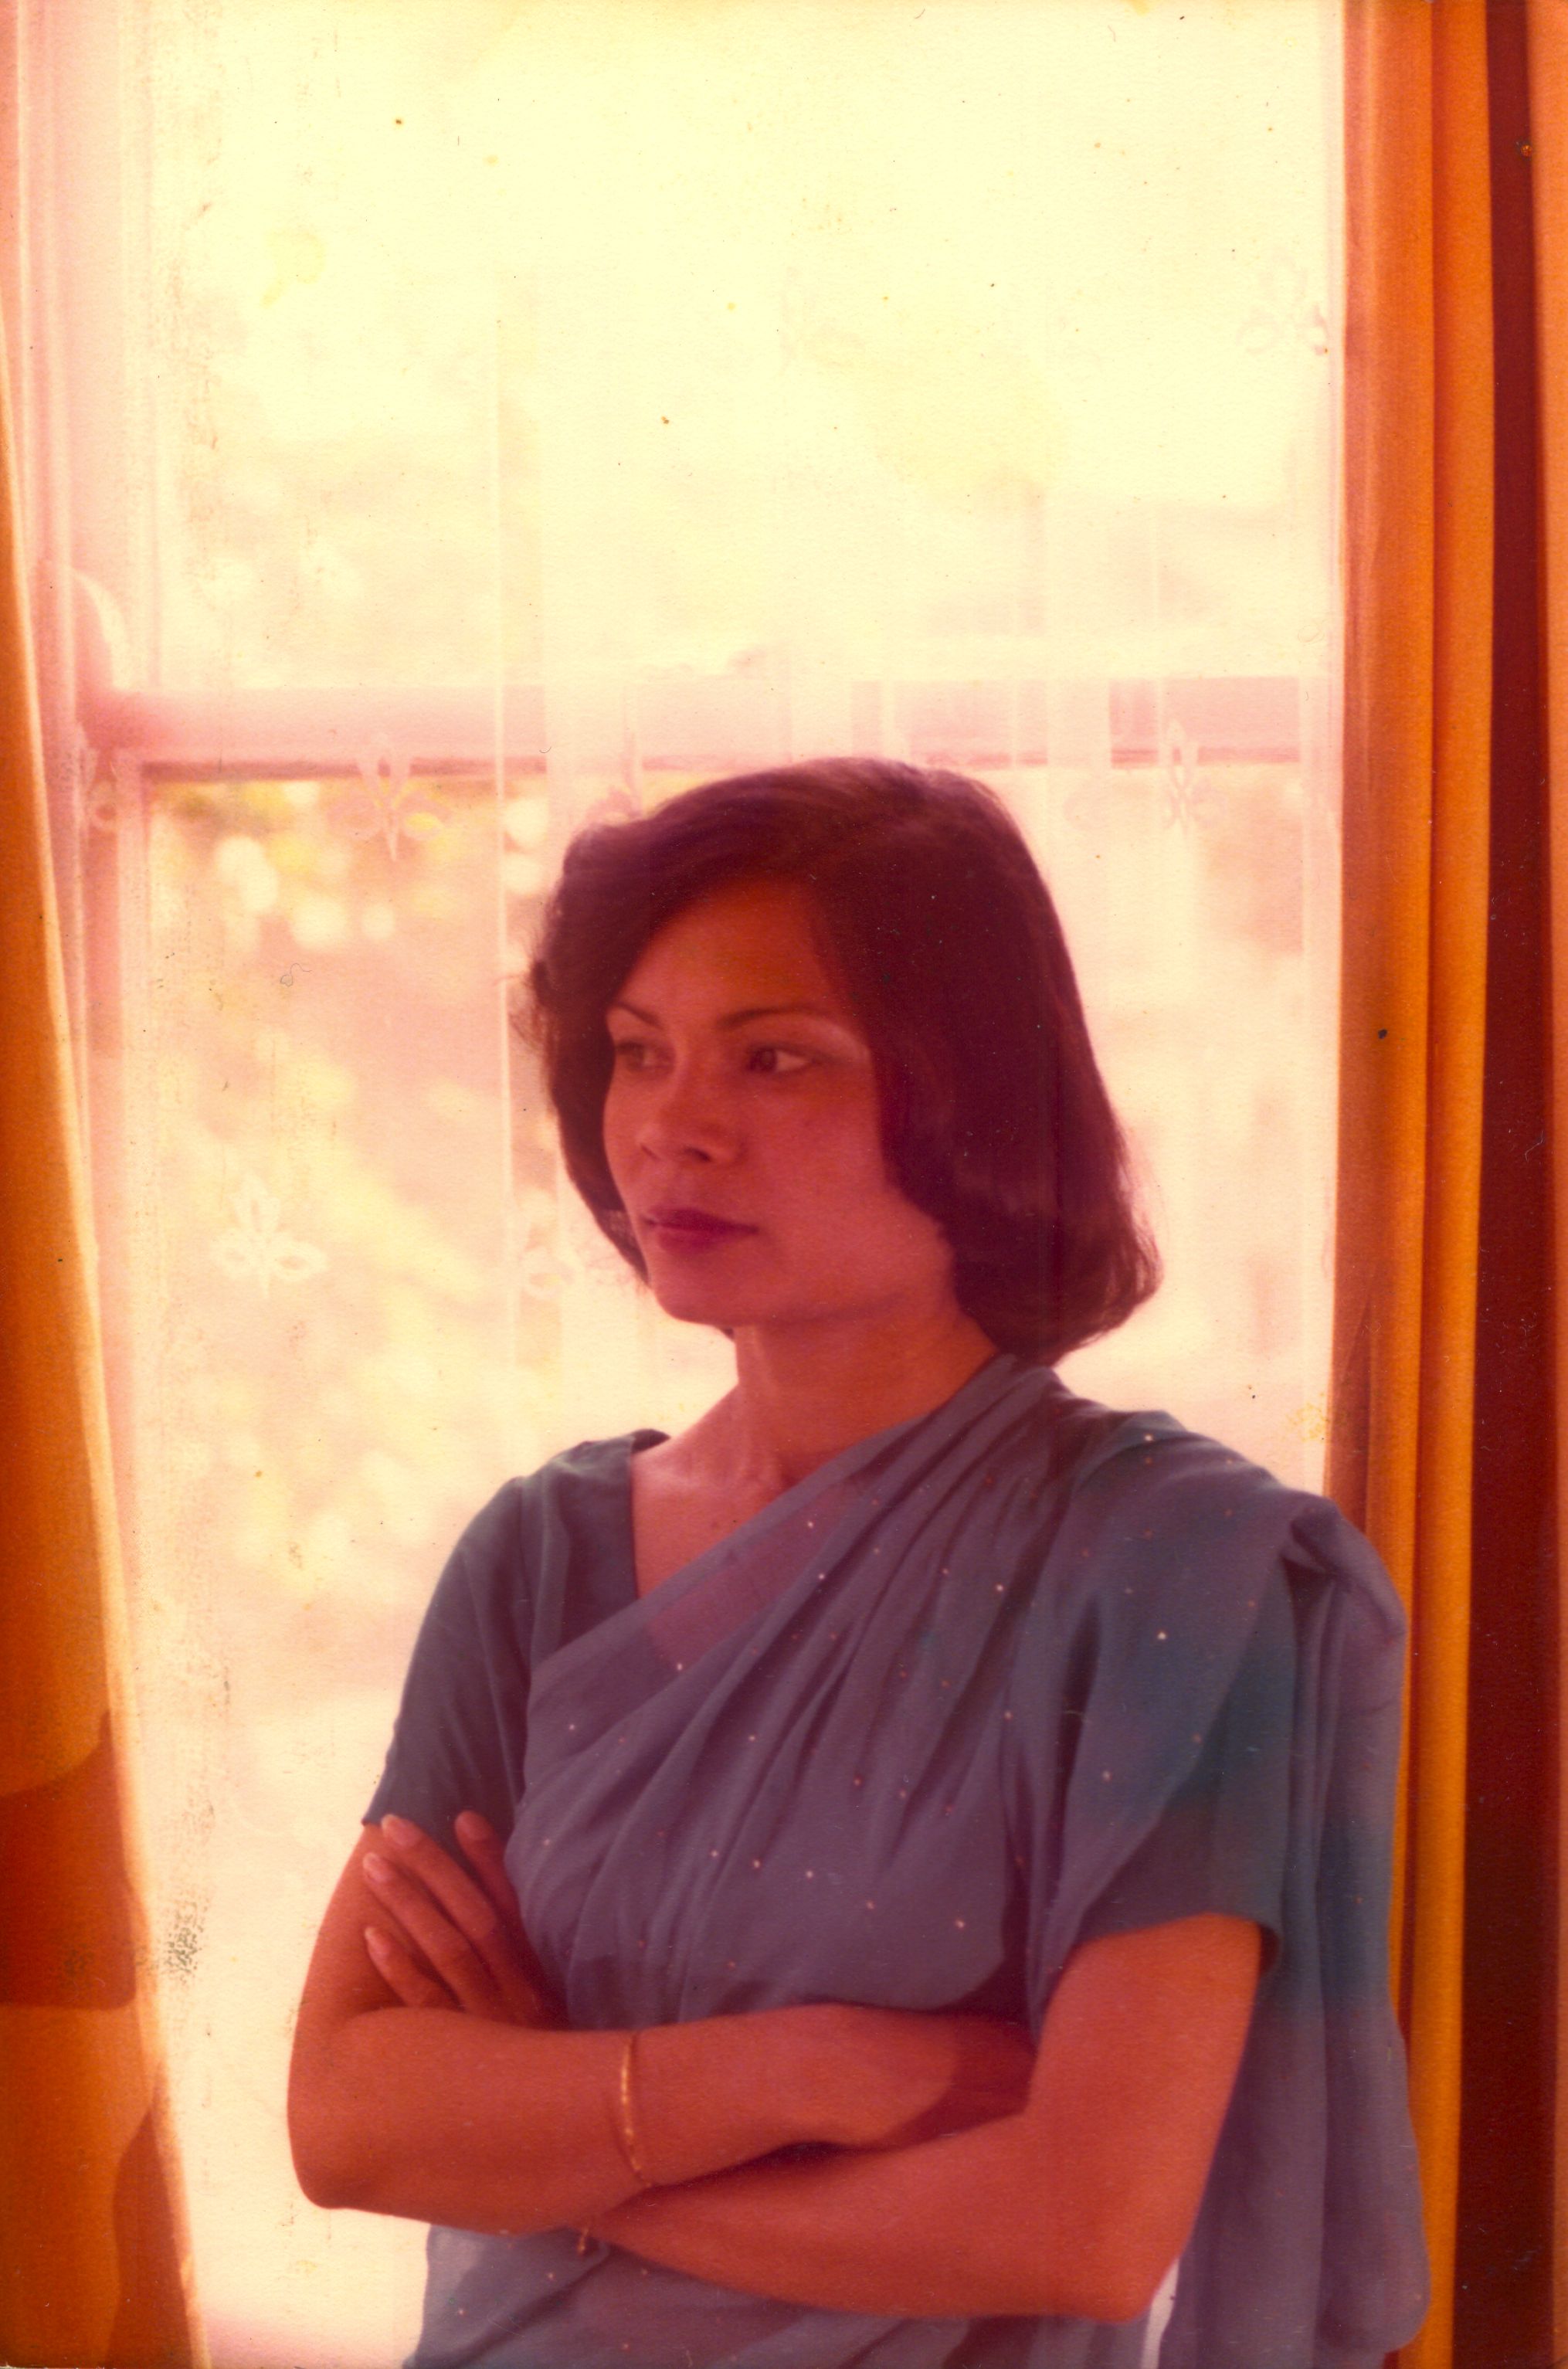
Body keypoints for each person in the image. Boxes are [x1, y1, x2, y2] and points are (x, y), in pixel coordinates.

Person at [288, 759, 1428, 2369]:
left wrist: (569, 2142)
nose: (672, 1127)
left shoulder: (1174, 1570)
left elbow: (1083, 2226)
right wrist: (797, 2068)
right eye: (636, 1053)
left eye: (775, 1059)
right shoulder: (540, 1556)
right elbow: (346, 2117)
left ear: (970, 1099)